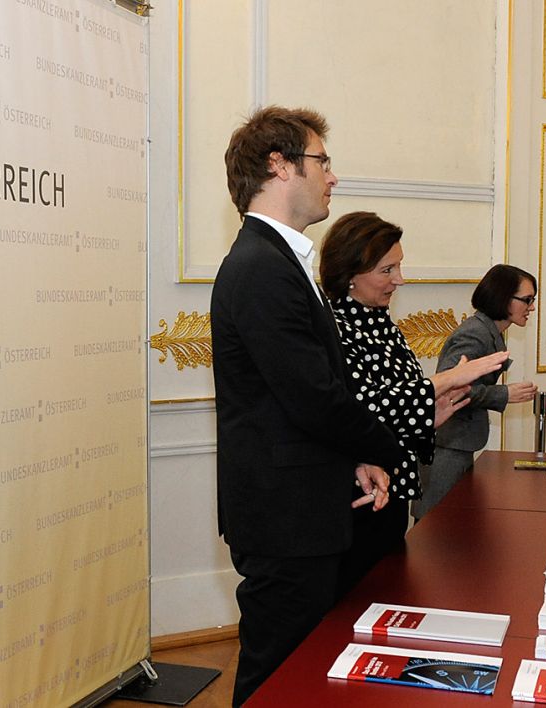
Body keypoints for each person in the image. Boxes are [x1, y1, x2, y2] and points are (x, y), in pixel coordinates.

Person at [210, 106, 502, 706]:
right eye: (322, 161)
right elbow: (315, 398)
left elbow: (308, 397)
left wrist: (357, 459)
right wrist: (385, 448)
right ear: (279, 165)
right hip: (285, 515)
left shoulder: (276, 260)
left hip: (302, 506)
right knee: (277, 678)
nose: (332, 176)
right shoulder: (261, 266)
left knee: (303, 673)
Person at [318, 211, 509, 598]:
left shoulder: (381, 322)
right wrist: (447, 379)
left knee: (392, 596)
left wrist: (431, 417)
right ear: (350, 273)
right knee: (357, 603)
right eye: (387, 270)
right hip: (357, 494)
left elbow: (397, 407)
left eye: (399, 267)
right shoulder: (335, 328)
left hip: (393, 485)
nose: (400, 280)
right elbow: (363, 408)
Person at [414, 264, 538, 521]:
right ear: (504, 298)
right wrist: (504, 394)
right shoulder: (475, 332)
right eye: (527, 300)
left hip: (457, 443)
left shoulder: (488, 330)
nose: (532, 307)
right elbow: (450, 387)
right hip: (447, 446)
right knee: (435, 526)